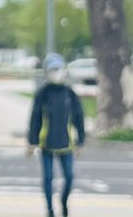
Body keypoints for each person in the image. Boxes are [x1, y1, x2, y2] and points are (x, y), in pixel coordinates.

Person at [28, 54, 86, 217]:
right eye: (52, 69)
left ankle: (63, 202)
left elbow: (78, 117)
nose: (56, 73)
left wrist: (80, 140)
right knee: (48, 179)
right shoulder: (42, 93)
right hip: (46, 143)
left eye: (58, 69)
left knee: (69, 177)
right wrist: (32, 142)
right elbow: (35, 118)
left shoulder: (69, 93)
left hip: (67, 144)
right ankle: (50, 209)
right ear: (46, 72)